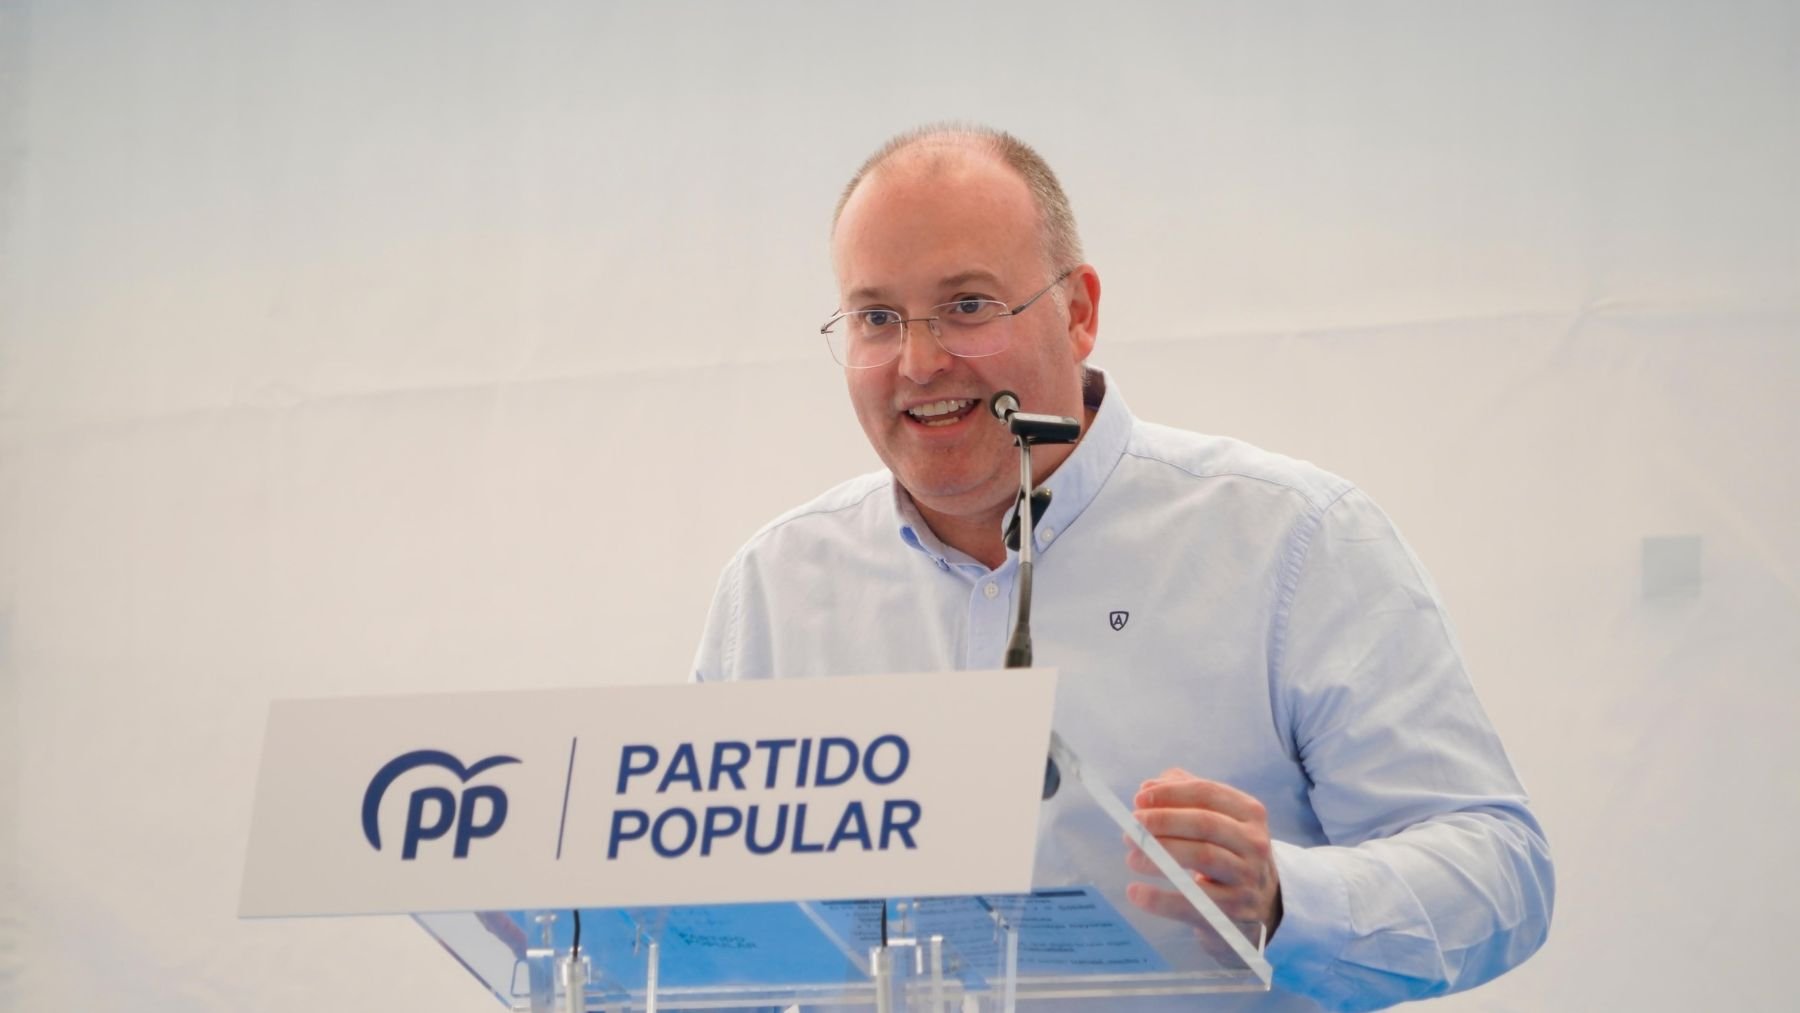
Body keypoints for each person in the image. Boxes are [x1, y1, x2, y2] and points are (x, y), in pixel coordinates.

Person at [693, 124, 1553, 1011]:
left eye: (968, 305)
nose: (919, 361)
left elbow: (1499, 866)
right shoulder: (775, 589)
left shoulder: (1293, 540)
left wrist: (1286, 896)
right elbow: (702, 918)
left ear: (1079, 311)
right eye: (877, 318)